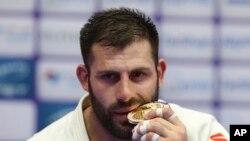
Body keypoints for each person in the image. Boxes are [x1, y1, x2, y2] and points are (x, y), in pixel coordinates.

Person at [27, 7, 229, 141]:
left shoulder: (204, 131)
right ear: (85, 78)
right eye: (109, 76)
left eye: (138, 75)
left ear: (160, 74)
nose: (125, 94)